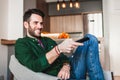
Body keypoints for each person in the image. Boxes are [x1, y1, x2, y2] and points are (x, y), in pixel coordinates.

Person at [15, 8, 105, 80]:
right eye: (36, 23)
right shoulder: (21, 44)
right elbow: (35, 66)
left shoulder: (48, 40)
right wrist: (58, 49)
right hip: (64, 77)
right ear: (26, 24)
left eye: (41, 23)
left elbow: (63, 58)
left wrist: (66, 66)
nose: (40, 26)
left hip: (71, 69)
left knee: (90, 38)